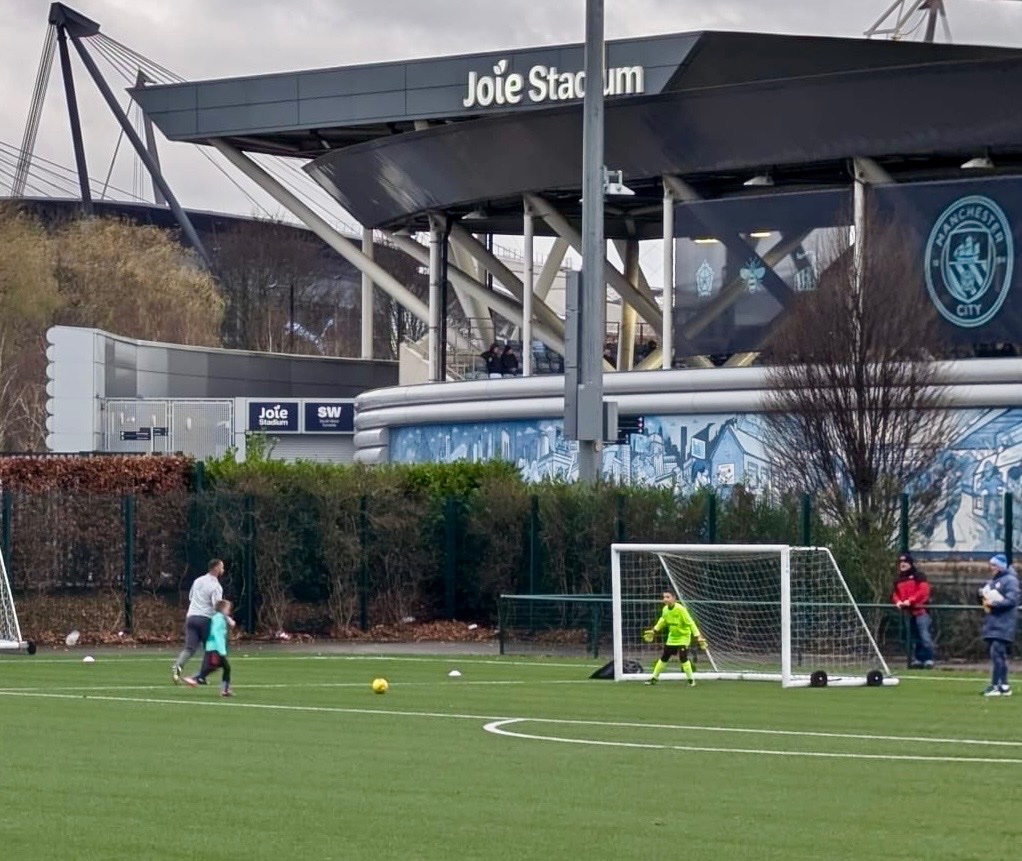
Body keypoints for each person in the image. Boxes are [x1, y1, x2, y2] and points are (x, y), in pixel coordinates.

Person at [172, 559, 225, 684]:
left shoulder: (198, 581)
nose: (223, 570)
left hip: (191, 617)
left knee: (190, 647)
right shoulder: (216, 586)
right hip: (205, 619)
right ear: (216, 568)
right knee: (210, 648)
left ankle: (178, 665)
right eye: (222, 567)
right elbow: (216, 606)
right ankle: (201, 676)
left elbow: (191, 597)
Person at [642, 590, 707, 686]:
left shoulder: (681, 609)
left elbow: (690, 623)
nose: (665, 599)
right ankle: (654, 678)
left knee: (683, 657)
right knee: (664, 657)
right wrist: (654, 631)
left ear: (674, 598)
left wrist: (698, 636)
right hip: (672, 637)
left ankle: (691, 680)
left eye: (668, 597)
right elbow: (663, 620)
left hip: (683, 637)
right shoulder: (665, 609)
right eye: (664, 597)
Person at [979, 553, 1019, 697]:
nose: (992, 568)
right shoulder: (993, 581)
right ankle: (1003, 685)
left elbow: (1012, 600)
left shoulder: (1010, 581)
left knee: (997, 652)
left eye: (994, 565)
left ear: (1001, 566)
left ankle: (997, 685)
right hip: (993, 622)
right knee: (997, 654)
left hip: (1004, 623)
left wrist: (994, 603)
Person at [891, 552, 934, 669]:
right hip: (909, 612)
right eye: (900, 562)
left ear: (910, 563)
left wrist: (911, 600)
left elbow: (923, 591)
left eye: (905, 562)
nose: (902, 564)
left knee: (924, 636)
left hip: (921, 611)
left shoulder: (918, 576)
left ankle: (929, 659)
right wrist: (898, 602)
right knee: (914, 638)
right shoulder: (898, 580)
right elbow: (895, 594)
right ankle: (918, 659)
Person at [184, 599, 234, 697]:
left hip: (213, 647)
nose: (229, 611)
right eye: (228, 609)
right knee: (220, 667)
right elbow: (216, 633)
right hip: (215, 648)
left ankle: (224, 689)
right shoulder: (219, 619)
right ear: (223, 609)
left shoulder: (218, 617)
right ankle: (196, 678)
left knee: (218, 667)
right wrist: (221, 649)